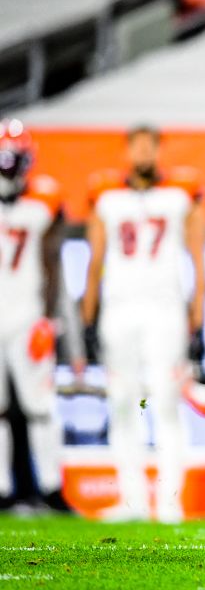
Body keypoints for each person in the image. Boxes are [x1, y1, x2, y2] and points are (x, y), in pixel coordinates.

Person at [83, 125, 205, 522]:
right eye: (136, 146)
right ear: (126, 150)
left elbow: (198, 258)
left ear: (157, 150)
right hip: (119, 310)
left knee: (166, 402)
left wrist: (198, 313)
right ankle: (132, 499)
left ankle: (170, 501)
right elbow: (94, 260)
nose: (142, 154)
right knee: (122, 404)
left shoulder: (180, 194)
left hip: (164, 309)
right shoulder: (107, 196)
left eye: (148, 146)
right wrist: (89, 317)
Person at [0, 119, 67, 511]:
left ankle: (51, 487)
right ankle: (5, 490)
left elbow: (52, 266)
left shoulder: (44, 203)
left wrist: (48, 318)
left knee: (40, 405)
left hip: (27, 314)